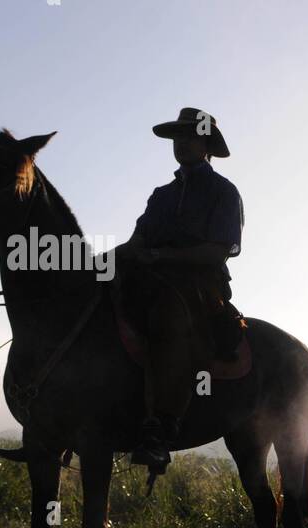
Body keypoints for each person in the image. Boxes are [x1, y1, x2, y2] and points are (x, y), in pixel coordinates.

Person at [115, 107, 244, 472]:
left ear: (207, 145)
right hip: (150, 275)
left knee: (167, 317)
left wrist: (159, 256)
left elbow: (218, 250)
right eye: (178, 137)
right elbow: (135, 242)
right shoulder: (161, 195)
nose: (182, 143)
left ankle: (161, 427)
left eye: (191, 136)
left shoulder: (223, 192)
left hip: (199, 283)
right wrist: (92, 262)